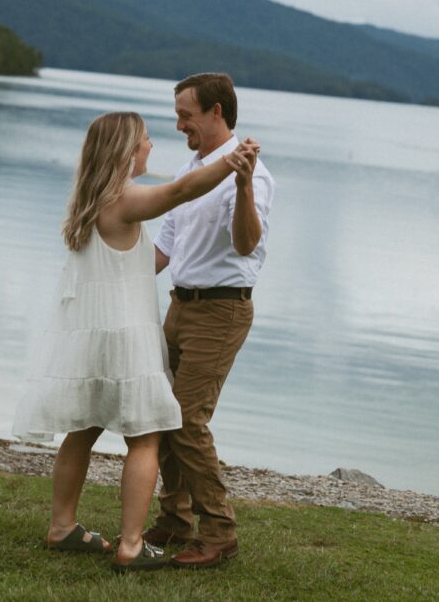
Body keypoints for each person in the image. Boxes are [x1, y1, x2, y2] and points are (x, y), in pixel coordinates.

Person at [11, 111, 259, 573]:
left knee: (82, 432)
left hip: (88, 338)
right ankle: (130, 545)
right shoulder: (123, 199)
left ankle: (63, 526)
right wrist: (232, 163)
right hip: (125, 339)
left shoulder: (88, 200)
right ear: (127, 151)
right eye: (145, 141)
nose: (150, 148)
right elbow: (181, 191)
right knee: (145, 438)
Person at [144, 73, 275, 568]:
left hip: (221, 309)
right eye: (178, 115)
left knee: (186, 418)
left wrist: (241, 185)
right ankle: (176, 521)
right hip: (181, 306)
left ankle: (219, 531)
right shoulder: (192, 169)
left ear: (216, 112)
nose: (179, 125)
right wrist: (105, 278)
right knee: (162, 413)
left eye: (186, 115)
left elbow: (246, 243)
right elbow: (163, 248)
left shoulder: (254, 175)